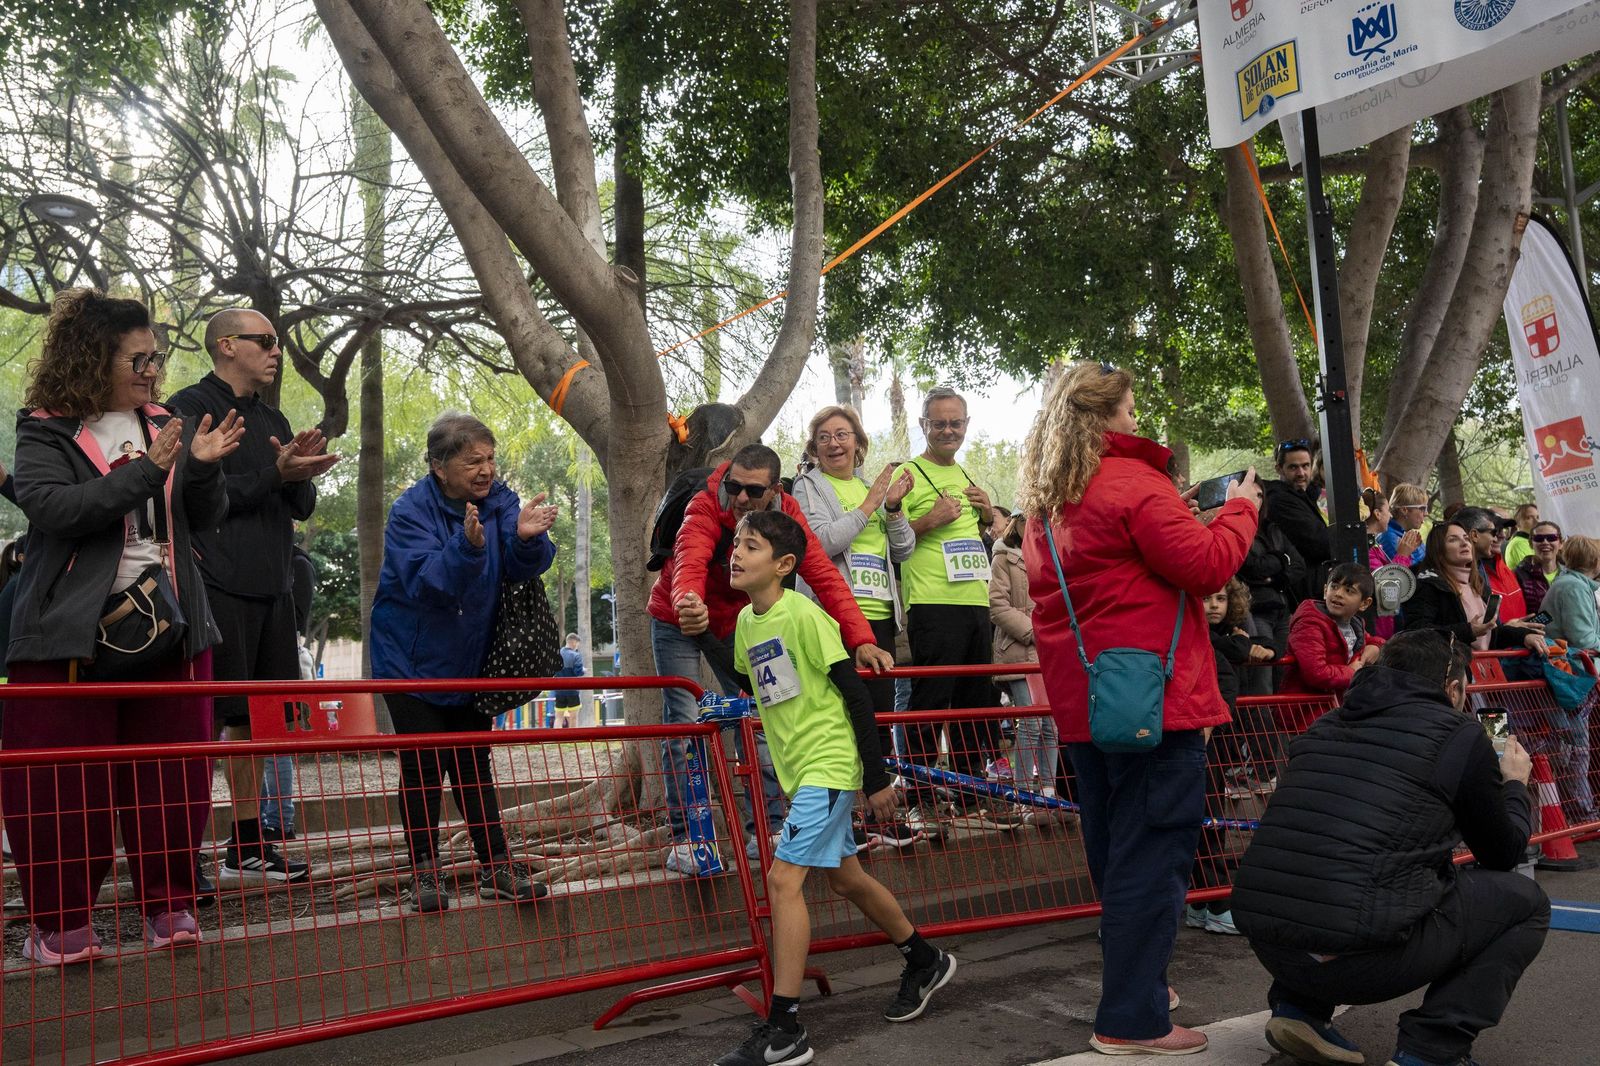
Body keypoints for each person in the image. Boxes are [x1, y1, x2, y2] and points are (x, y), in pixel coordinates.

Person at [1018, 361, 1261, 1056]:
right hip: (1158, 701)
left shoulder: (1044, 503)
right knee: (1152, 860)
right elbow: (1208, 566)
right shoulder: (1134, 483)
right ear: (1104, 418)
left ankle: (1141, 986)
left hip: (1086, 704)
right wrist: (1241, 508)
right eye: (1129, 410)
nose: (1136, 420)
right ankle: (1132, 1017)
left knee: (1116, 855)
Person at [3, 288, 244, 963]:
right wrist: (152, 469)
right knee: (62, 785)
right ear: (92, 359)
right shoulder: (45, 427)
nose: (151, 370)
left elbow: (208, 513)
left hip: (172, 628)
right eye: (137, 358)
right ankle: (63, 927)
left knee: (174, 778)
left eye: (156, 357)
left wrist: (199, 467)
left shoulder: (168, 419)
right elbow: (54, 508)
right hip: (69, 639)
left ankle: (170, 909)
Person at [1230, 631, 1549, 1066]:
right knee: (1527, 903)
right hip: (1360, 958)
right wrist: (1513, 785)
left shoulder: (1326, 723)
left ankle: (1299, 1009)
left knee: (1336, 862)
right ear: (1454, 688)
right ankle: (1431, 1048)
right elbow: (1502, 854)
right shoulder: (1458, 735)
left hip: (1271, 945)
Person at [709, 510, 956, 1066]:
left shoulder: (804, 616)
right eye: (737, 545)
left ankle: (785, 1028)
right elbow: (746, 679)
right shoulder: (750, 621)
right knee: (846, 879)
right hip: (801, 772)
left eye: (750, 547)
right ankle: (924, 959)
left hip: (828, 764)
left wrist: (876, 776)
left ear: (784, 565)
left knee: (782, 880)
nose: (737, 554)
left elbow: (856, 696)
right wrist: (703, 631)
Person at [650, 443, 894, 875]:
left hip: (741, 624)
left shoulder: (790, 520)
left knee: (762, 715)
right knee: (684, 720)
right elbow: (689, 558)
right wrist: (690, 602)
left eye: (752, 489)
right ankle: (691, 835)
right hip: (682, 616)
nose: (741, 497)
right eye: (733, 486)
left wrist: (861, 639)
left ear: (775, 489)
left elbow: (825, 576)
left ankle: (770, 826)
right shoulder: (704, 506)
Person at [169, 309, 337, 886]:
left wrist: (302, 470)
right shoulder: (189, 408)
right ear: (225, 345)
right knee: (210, 720)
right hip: (216, 586)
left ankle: (247, 841)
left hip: (274, 587)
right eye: (264, 341)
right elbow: (196, 498)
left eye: (277, 342)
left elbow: (299, 506)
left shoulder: (272, 414)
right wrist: (275, 474)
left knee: (256, 721)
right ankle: (181, 849)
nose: (275, 351)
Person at [370, 411, 556, 913]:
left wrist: (525, 539)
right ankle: (424, 873)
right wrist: (467, 545)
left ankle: (495, 865)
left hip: (471, 660)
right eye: (473, 460)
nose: (486, 470)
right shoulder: (410, 512)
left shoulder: (500, 502)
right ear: (439, 465)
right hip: (410, 663)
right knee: (424, 766)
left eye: (491, 458)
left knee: (474, 762)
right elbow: (430, 581)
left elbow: (520, 569)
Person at [790, 404, 919, 848]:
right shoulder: (809, 487)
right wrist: (868, 506)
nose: (834, 443)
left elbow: (902, 550)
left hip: (880, 616)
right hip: (835, 617)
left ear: (859, 444)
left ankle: (880, 810)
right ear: (814, 446)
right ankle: (850, 818)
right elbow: (821, 543)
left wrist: (895, 508)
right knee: (845, 716)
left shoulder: (871, 489)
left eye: (843, 435)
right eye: (824, 436)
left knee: (878, 717)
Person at [895, 387, 1005, 838]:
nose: (947, 430)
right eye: (938, 422)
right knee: (931, 698)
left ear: (965, 425)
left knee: (976, 699)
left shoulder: (964, 473)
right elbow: (890, 541)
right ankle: (920, 791)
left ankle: (968, 787)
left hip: (975, 601)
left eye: (955, 423)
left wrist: (984, 517)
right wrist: (929, 520)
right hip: (932, 603)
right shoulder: (908, 472)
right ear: (923, 425)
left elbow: (975, 538)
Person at [990, 512, 1060, 814]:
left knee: (1051, 725)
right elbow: (997, 606)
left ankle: (1047, 788)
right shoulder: (1003, 559)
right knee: (1031, 722)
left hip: (1048, 653)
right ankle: (1022, 795)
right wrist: (1034, 632)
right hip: (1020, 650)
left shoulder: (1050, 557)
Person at [1399, 521, 1547, 657]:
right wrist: (1468, 631)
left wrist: (1524, 635)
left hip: (1485, 672)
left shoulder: (1478, 584)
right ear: (1438, 550)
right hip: (1449, 674)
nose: (1464, 543)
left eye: (1466, 538)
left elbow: (1492, 634)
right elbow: (1417, 633)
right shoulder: (1427, 585)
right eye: (1453, 539)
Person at [1280, 564, 1384, 717]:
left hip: (1334, 712)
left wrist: (1376, 646)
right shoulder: (1309, 623)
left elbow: (1372, 640)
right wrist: (1353, 672)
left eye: (1349, 591)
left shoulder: (1354, 625)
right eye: (1334, 587)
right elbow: (1316, 673)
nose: (1338, 594)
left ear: (1364, 603)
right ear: (1325, 591)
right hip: (1304, 717)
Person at [1236, 492, 1307, 693]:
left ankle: (1281, 722)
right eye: (1249, 493)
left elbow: (1298, 565)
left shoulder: (1273, 529)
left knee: (1283, 674)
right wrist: (1282, 560)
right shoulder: (1238, 530)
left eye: (1259, 494)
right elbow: (1252, 567)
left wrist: (1276, 576)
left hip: (1282, 611)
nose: (1255, 499)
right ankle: (1263, 724)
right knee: (1262, 677)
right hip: (1256, 610)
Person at [1262, 439, 1331, 597]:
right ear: (1279, 469)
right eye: (1293, 467)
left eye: (1305, 466)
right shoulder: (1280, 500)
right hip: (1301, 592)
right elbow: (1321, 544)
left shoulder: (1306, 496)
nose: (1301, 473)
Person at [1455, 506, 1528, 623]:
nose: (1501, 536)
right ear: (1474, 534)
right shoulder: (1454, 574)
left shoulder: (1504, 569)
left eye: (1504, 530)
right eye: (1494, 531)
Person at [1514, 521, 1562, 615]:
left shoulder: (1570, 574)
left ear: (1560, 543)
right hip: (1534, 629)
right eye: (1539, 538)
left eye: (1551, 538)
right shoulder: (1518, 575)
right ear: (1531, 544)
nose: (1545, 542)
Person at [1377, 483, 1428, 567]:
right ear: (1404, 510)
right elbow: (1403, 573)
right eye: (1422, 508)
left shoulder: (1408, 534)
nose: (1426, 513)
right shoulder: (1388, 537)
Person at [554, 633, 584, 728]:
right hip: (572, 690)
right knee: (573, 716)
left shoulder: (557, 654)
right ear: (574, 642)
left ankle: (556, 738)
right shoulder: (576, 656)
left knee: (559, 717)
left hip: (559, 690)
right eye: (577, 644)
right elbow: (578, 672)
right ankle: (573, 738)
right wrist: (583, 670)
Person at [1503, 503, 1540, 569]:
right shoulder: (1518, 544)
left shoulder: (1532, 541)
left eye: (1537, 517)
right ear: (1517, 523)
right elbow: (1535, 572)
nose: (1536, 521)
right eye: (1529, 518)